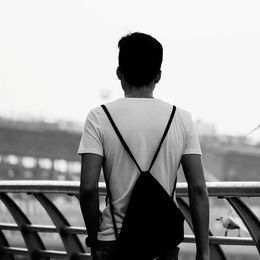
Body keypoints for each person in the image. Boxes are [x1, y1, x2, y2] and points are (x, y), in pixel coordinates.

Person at [78, 32, 210, 260]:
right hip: (162, 242)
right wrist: (203, 252)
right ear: (158, 76)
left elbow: (88, 189)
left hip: (114, 241)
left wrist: (95, 240)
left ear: (119, 73)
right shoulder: (181, 119)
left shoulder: (99, 117)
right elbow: (198, 188)